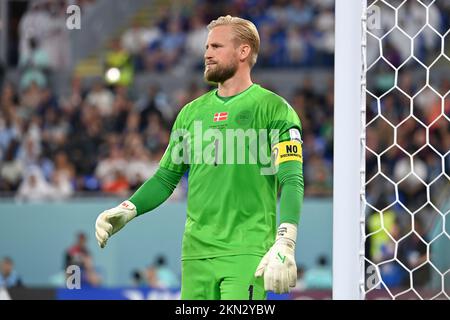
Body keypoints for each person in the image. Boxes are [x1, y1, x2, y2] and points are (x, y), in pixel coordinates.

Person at [95, 15, 304, 300]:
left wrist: (286, 240)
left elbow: (291, 179)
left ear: (243, 51)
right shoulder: (190, 113)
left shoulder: (275, 109)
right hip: (195, 255)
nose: (207, 53)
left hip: (246, 251)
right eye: (207, 47)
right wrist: (129, 208)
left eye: (216, 46)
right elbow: (166, 178)